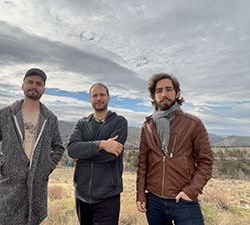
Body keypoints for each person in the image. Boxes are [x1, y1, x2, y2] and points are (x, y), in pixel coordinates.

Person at [0, 68, 64, 225]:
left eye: (38, 84)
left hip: (36, 192)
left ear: (43, 89)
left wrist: (46, 167)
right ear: (23, 85)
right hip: (8, 189)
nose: (34, 86)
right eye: (30, 82)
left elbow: (58, 147)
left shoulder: (50, 118)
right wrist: (3, 166)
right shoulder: (5, 114)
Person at [136, 73, 213, 225]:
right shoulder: (147, 126)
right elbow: (142, 164)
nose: (164, 94)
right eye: (159, 91)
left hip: (183, 200)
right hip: (154, 201)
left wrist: (191, 192)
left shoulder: (193, 123)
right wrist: (140, 195)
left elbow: (206, 162)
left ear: (177, 93)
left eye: (168, 89)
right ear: (153, 95)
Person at [68, 83, 128, 225]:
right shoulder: (82, 124)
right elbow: (71, 149)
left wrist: (82, 154)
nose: (98, 98)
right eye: (95, 95)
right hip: (82, 195)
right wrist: (102, 145)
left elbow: (111, 155)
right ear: (90, 99)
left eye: (102, 94)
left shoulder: (119, 122)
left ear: (108, 97)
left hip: (108, 196)